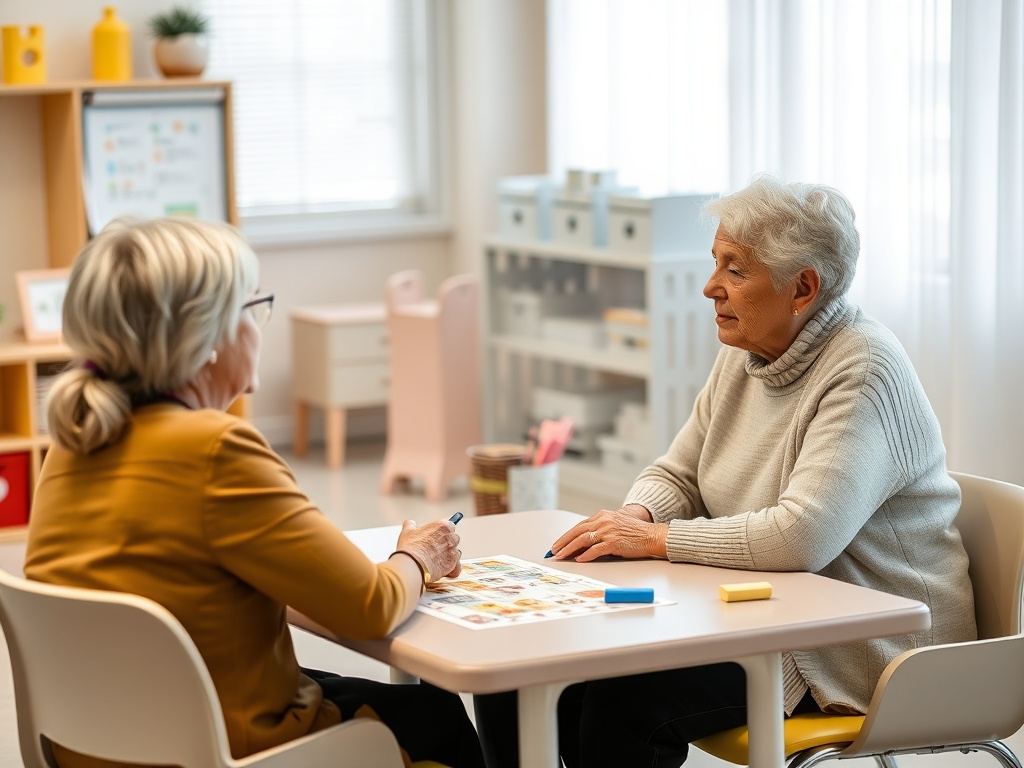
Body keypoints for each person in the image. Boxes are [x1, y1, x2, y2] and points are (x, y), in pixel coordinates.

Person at [473, 175, 977, 768]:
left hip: (865, 644)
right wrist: (636, 515)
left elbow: (801, 537)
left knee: (621, 697)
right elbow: (679, 473)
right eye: (716, 263)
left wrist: (657, 539)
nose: (711, 287)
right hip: (768, 613)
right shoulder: (747, 352)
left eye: (735, 271)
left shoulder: (863, 370)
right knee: (522, 669)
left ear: (803, 289)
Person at [24, 216, 485, 768]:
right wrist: (419, 554)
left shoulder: (72, 444)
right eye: (252, 307)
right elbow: (372, 607)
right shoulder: (215, 449)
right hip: (226, 750)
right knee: (437, 717)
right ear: (209, 335)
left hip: (101, 747)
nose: (259, 327)